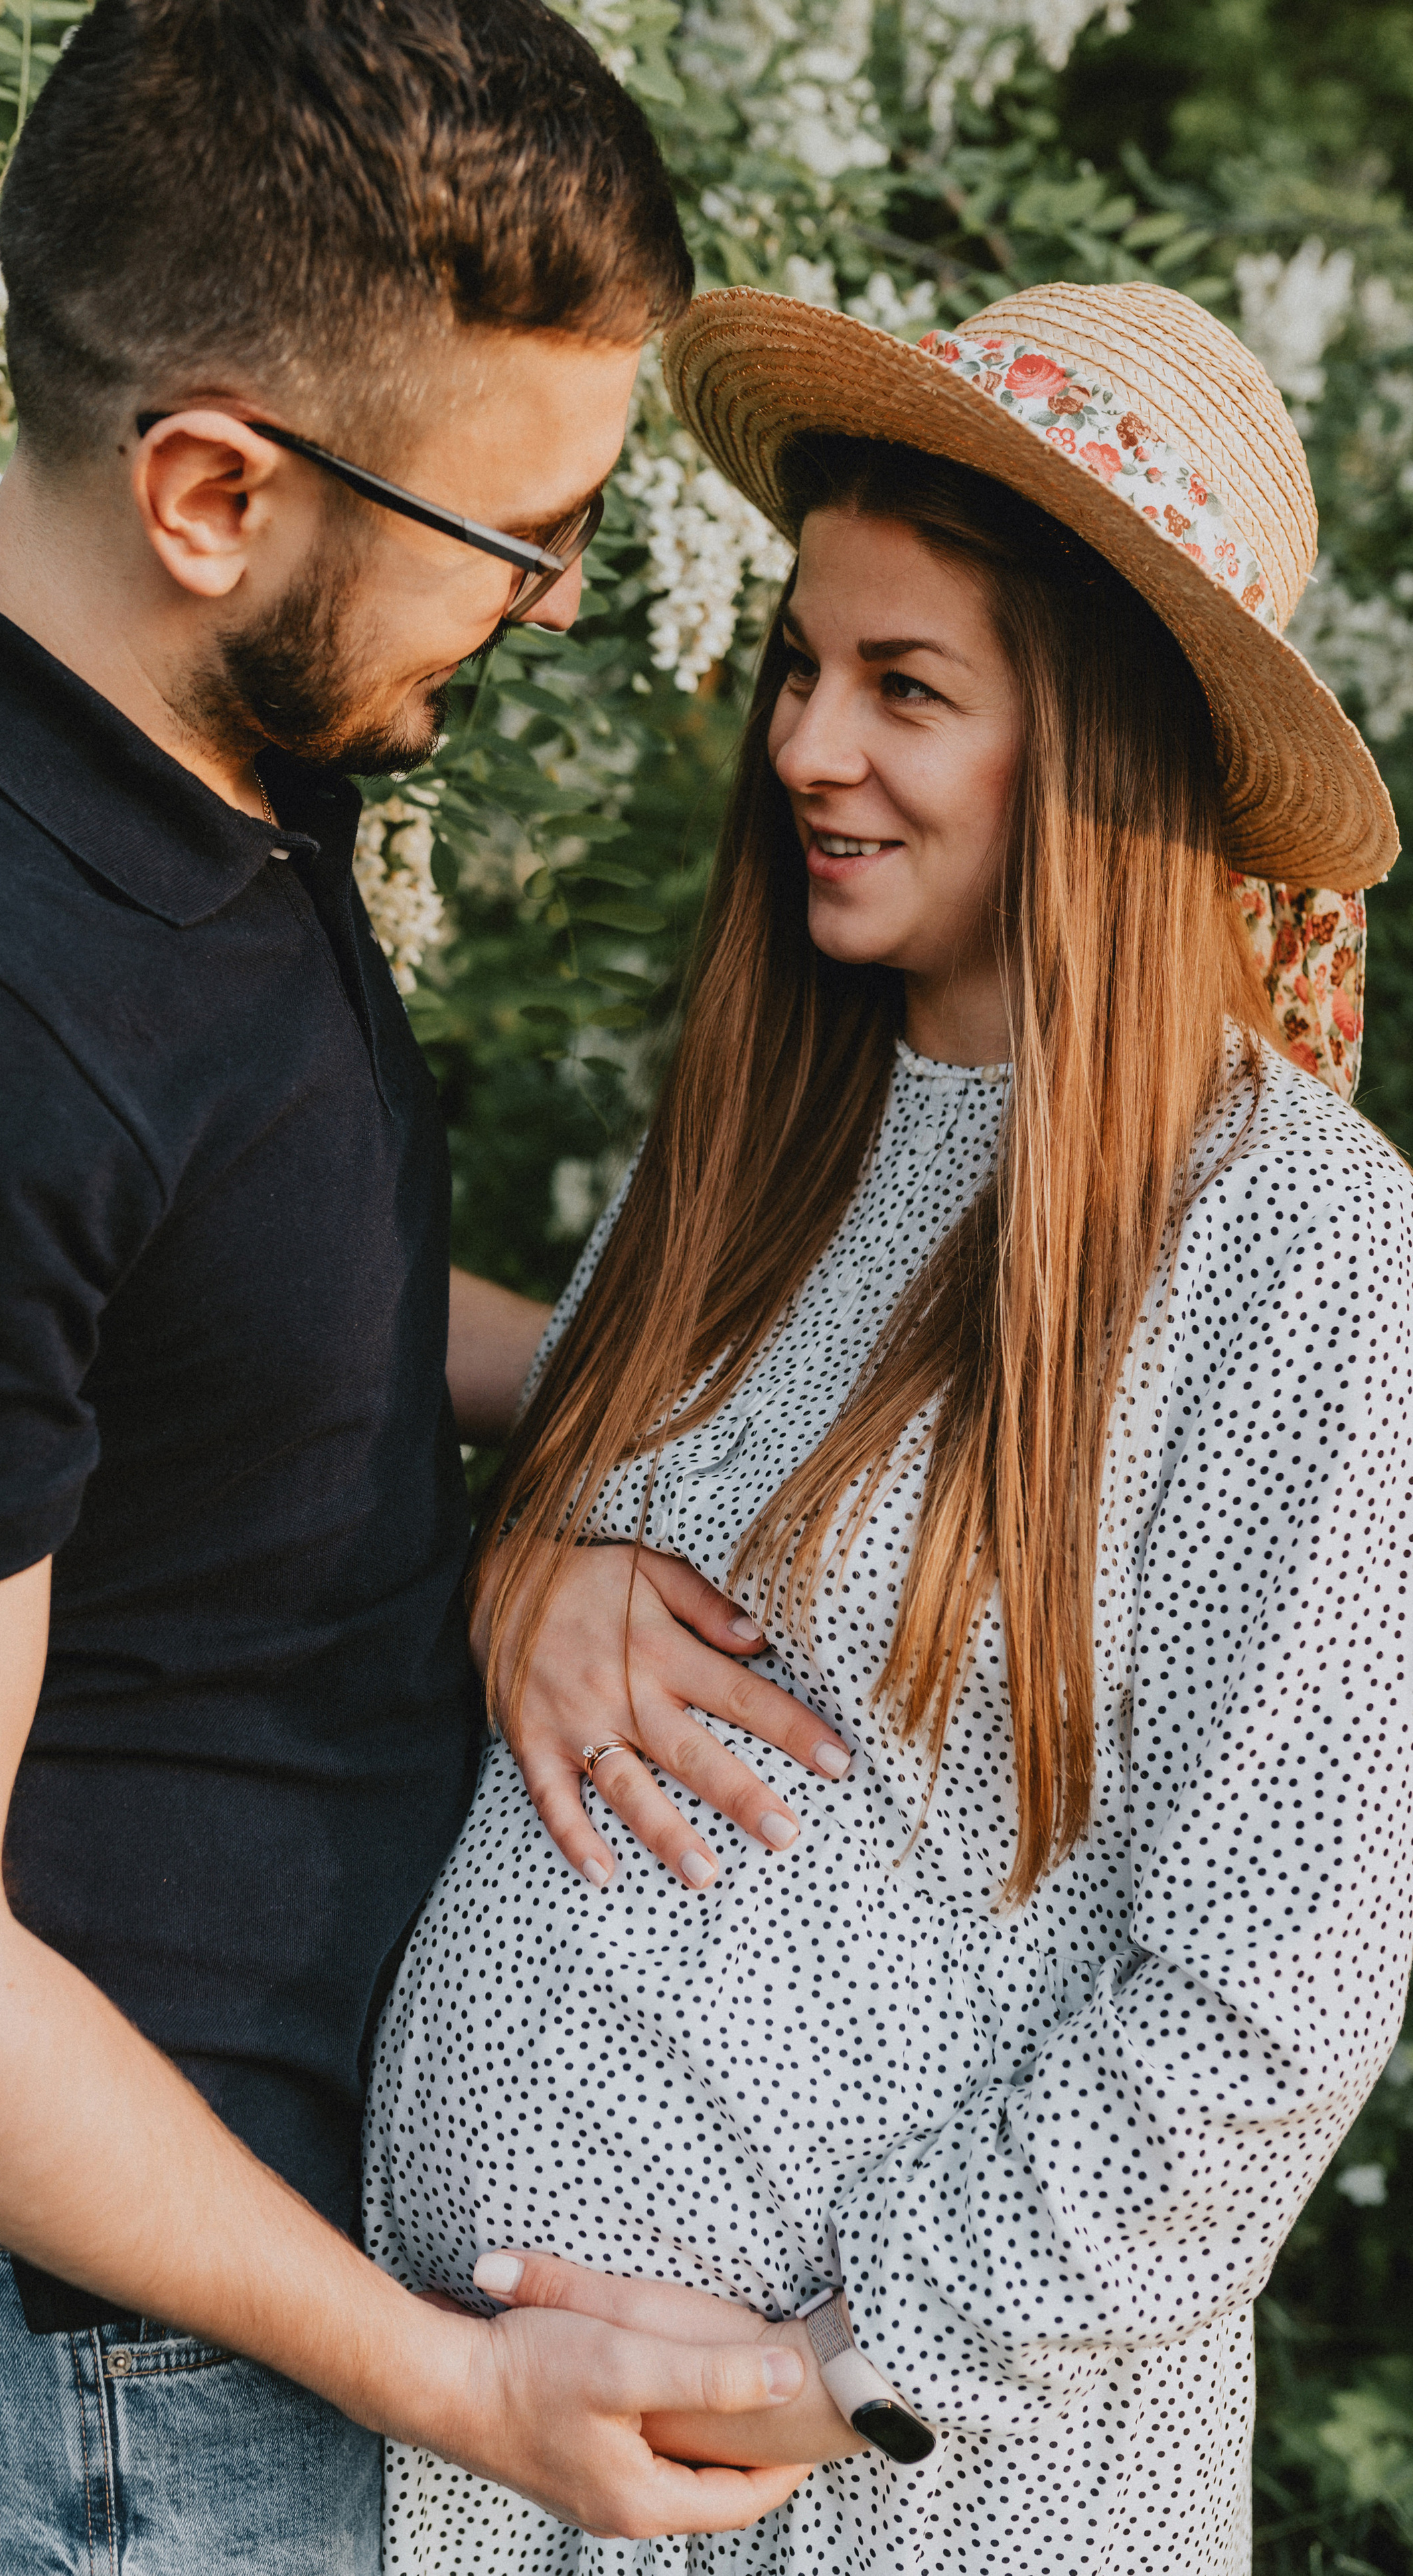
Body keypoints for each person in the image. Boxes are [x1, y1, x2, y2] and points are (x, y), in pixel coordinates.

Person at [0, 5, 867, 2565]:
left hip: (270, 2247)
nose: (562, 605)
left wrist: (629, 1424)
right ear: (215, 485)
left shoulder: (217, 751)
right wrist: (451, 2388)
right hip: (106, 2357)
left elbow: (241, 1318)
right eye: (516, 531)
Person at [364, 280, 1413, 2572]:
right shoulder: (783, 1114)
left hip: (897, 2515)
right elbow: (688, 1491)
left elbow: (1274, 1989)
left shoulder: (1293, 1250)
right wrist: (512, 1561)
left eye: (904, 689)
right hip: (523, 2466)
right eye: (799, 667)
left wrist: (834, 2375)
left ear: (1107, 749)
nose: (806, 747)